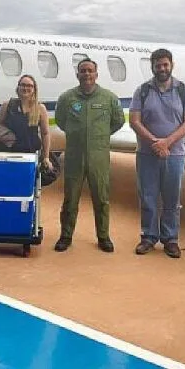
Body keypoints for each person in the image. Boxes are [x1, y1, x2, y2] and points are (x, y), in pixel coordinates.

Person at [128, 48, 185, 258]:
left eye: (165, 65)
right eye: (158, 65)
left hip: (174, 154)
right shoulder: (143, 91)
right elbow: (134, 120)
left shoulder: (184, 90)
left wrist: (167, 142)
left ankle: (171, 239)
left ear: (172, 65)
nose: (162, 69)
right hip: (147, 154)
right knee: (147, 197)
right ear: (152, 67)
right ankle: (148, 237)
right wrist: (154, 142)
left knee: (171, 199)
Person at [54, 58, 125, 253]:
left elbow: (118, 121)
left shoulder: (108, 98)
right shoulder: (67, 98)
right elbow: (61, 120)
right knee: (70, 198)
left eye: (90, 71)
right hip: (74, 156)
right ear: (78, 75)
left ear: (96, 74)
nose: (87, 74)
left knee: (101, 198)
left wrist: (99, 136)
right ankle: (65, 235)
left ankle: (103, 236)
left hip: (98, 157)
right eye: (83, 71)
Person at [0, 75, 52, 170]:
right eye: (23, 85)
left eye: (29, 86)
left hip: (30, 155)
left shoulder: (40, 108)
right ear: (18, 87)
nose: (25, 88)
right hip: (9, 153)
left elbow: (45, 133)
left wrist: (46, 157)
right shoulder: (7, 105)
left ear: (34, 89)